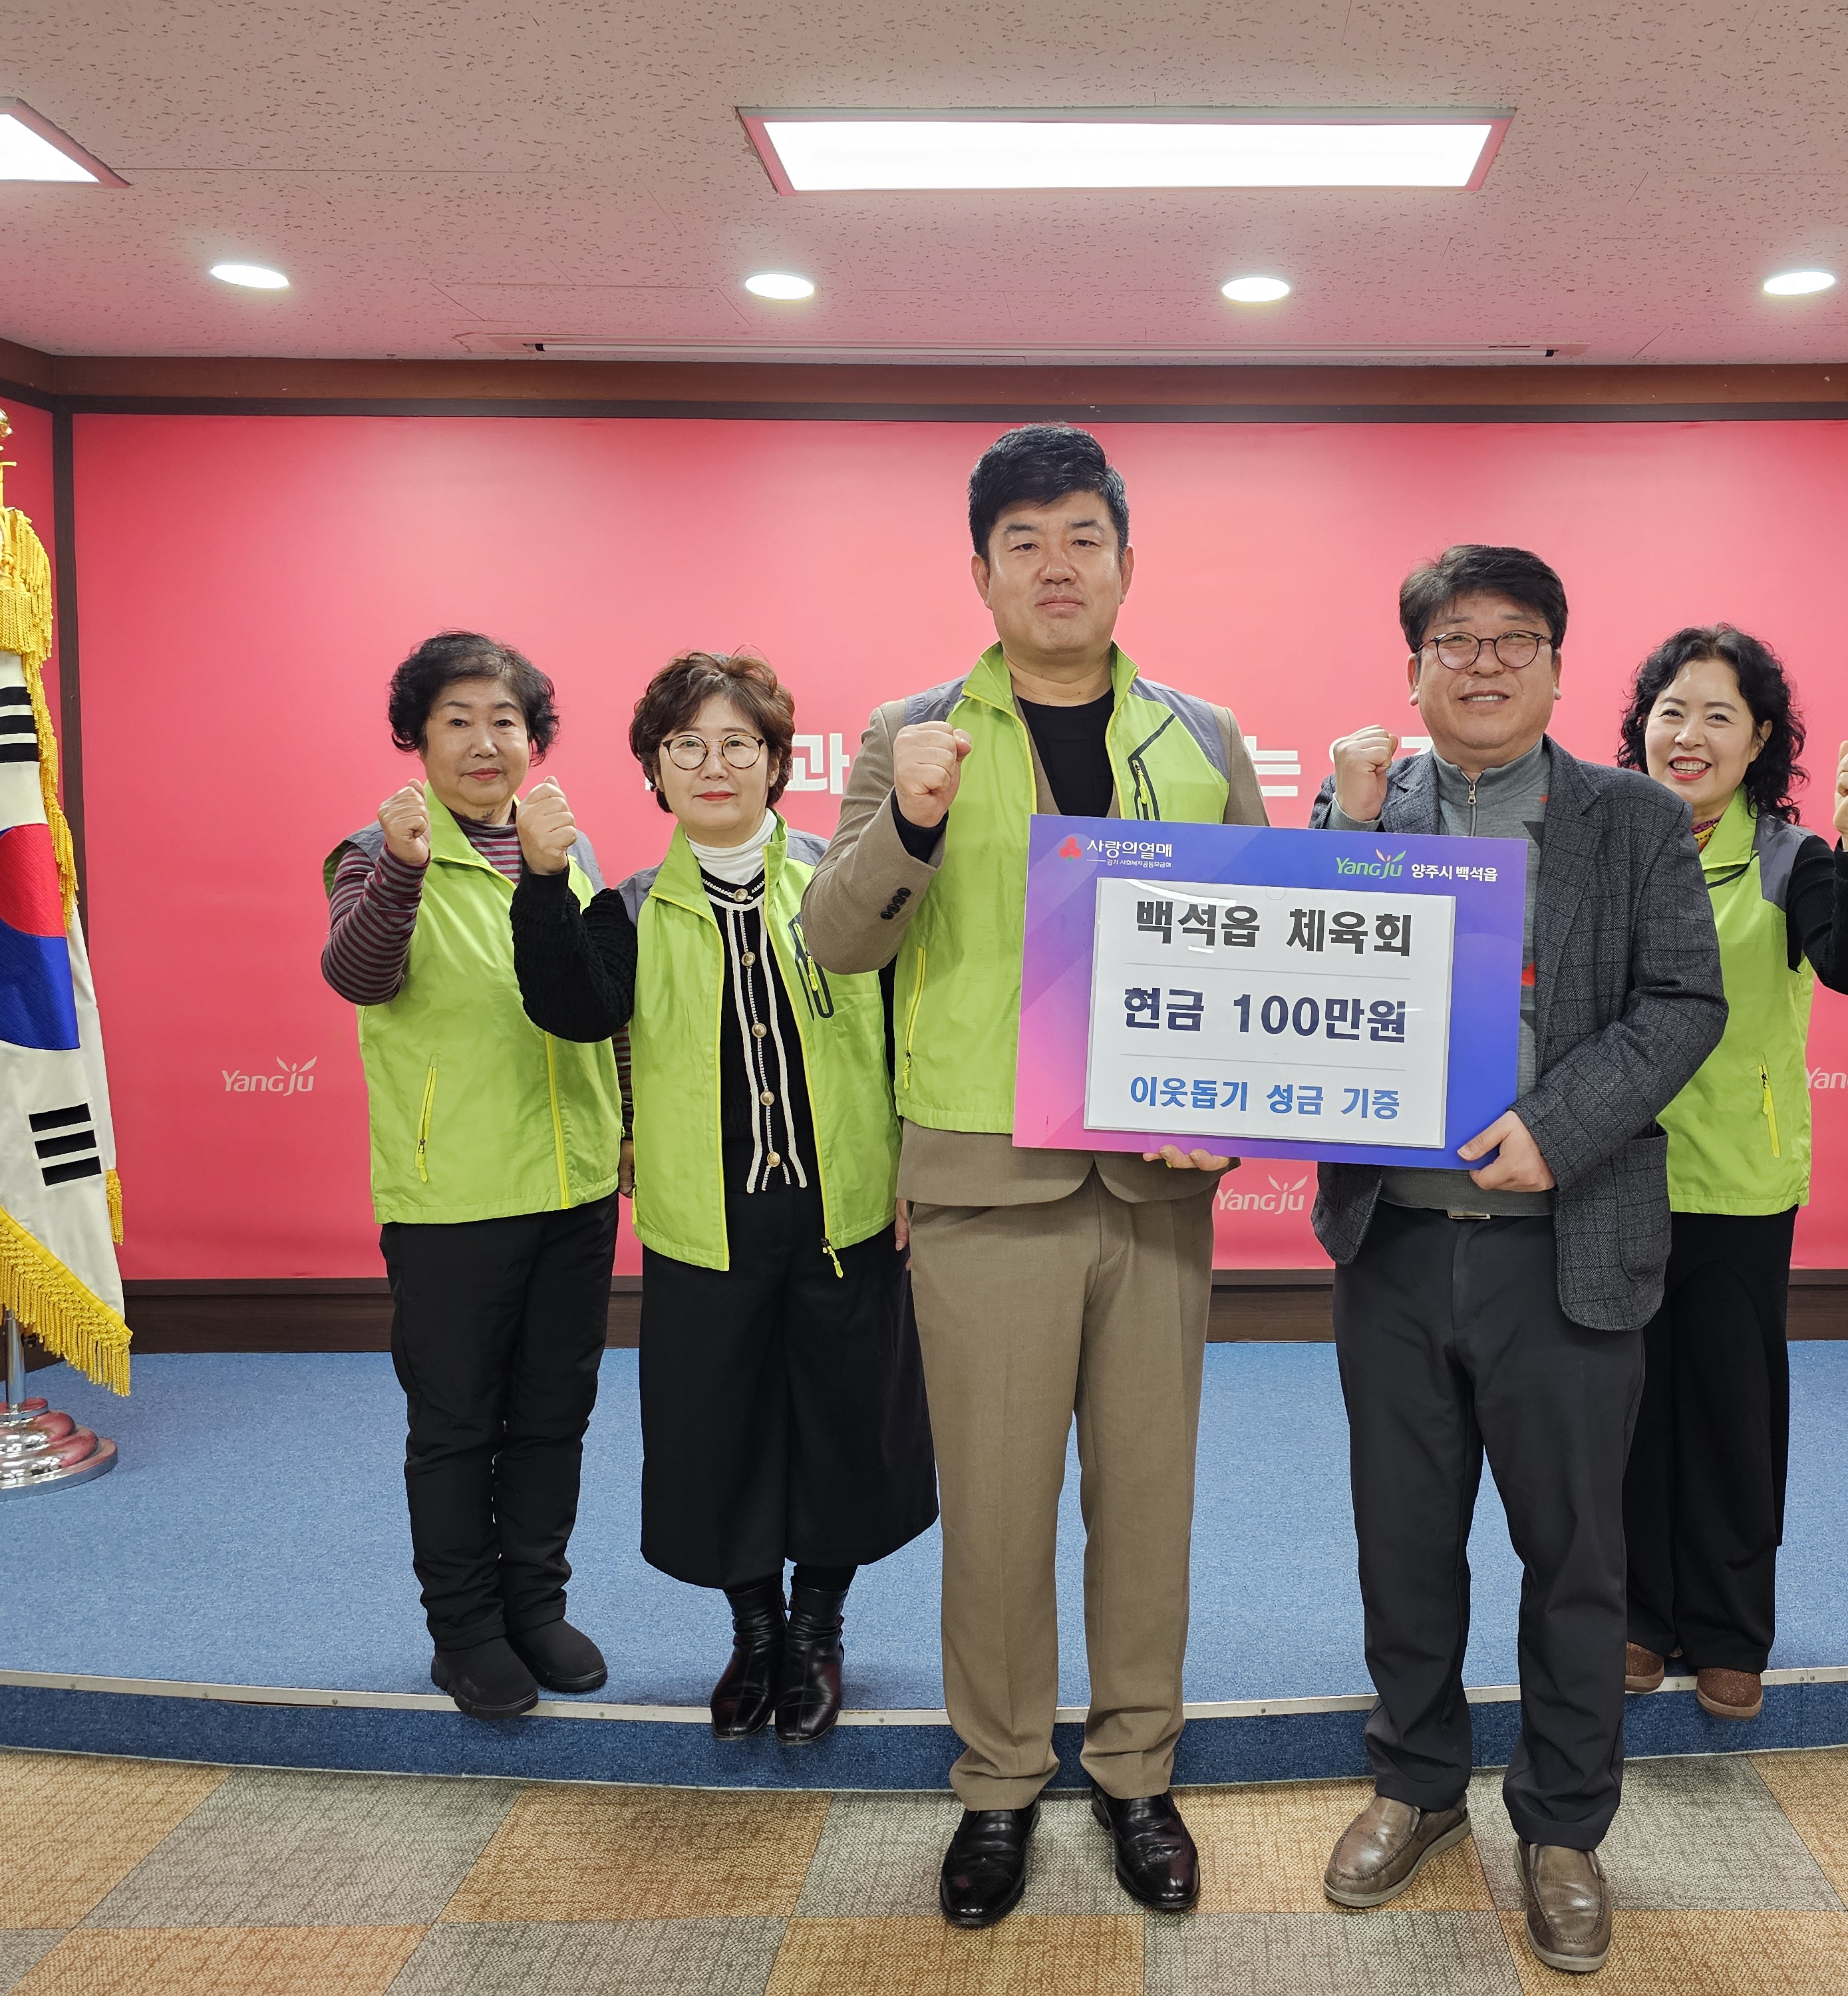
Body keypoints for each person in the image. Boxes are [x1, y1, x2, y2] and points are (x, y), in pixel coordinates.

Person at [801, 424, 1269, 1929]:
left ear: (1128, 561)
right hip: (986, 1182)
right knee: (995, 1508)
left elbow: (1252, 951)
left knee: (1148, 1501)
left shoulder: (1200, 737)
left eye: (1083, 537)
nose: (1056, 565)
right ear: (982, 569)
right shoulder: (908, 732)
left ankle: (1137, 1771)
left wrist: (1235, 1110)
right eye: (1025, 542)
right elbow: (833, 939)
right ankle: (997, 1787)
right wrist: (912, 820)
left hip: (1154, 1189)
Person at [1308, 547, 1725, 1975]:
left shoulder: (1631, 822)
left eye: (1514, 641)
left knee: (1574, 1559)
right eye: (1453, 641)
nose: (1482, 665)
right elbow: (1304, 986)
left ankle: (1561, 1827)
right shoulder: (1365, 804)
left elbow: (1681, 1003)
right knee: (1402, 1543)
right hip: (1396, 1247)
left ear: (1556, 665)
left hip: (1567, 1245)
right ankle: (1414, 1784)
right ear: (1410, 666)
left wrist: (1559, 1128)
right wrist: (1350, 833)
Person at [510, 650, 935, 1746]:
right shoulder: (634, 906)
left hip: (844, 1209)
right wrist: (545, 886)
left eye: (737, 744)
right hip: (709, 1219)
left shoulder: (843, 879)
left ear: (778, 763)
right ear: (655, 771)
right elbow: (569, 1008)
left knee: (845, 1423)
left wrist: (915, 1169)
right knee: (720, 1433)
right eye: (686, 746)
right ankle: (754, 1632)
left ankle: (818, 1631)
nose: (713, 765)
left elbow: (913, 1028)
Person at [321, 631, 623, 1721]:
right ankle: (465, 1632)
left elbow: (600, 1005)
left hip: (575, 1186)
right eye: (459, 719)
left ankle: (535, 1608)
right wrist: (402, 868)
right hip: (452, 1196)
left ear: (533, 739)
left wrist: (625, 1130)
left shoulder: (561, 848)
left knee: (555, 1415)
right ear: (418, 735)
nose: (486, 742)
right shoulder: (376, 848)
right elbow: (358, 975)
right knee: (457, 1426)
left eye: (506, 721)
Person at [1615, 624, 1848, 1723]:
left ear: (1760, 740)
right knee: (1627, 1415)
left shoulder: (1791, 859)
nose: (1688, 736)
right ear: (1642, 725)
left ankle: (1731, 1632)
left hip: (1737, 1183)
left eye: (1717, 716)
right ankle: (1641, 1618)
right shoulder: (1605, 838)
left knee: (1732, 1417)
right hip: (1615, 1176)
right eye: (1671, 711)